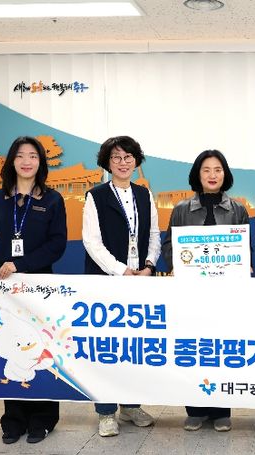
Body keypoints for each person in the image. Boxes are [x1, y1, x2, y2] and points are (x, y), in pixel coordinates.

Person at [0, 136, 67, 445]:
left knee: (38, 346)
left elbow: (57, 244)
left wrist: (20, 263)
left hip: (39, 287)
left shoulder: (52, 200)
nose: (27, 161)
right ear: (12, 161)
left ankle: (43, 419)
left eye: (33, 156)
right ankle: (13, 419)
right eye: (21, 156)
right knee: (11, 346)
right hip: (4, 289)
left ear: (41, 163)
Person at [162, 149, 249, 432]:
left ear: (225, 174)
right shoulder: (181, 209)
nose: (212, 175)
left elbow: (244, 249)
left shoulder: (237, 209)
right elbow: (169, 245)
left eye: (218, 170)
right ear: (197, 175)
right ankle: (195, 409)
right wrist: (178, 265)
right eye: (206, 170)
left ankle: (222, 410)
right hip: (191, 293)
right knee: (194, 348)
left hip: (226, 294)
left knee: (222, 349)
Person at [82, 136, 160, 437]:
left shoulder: (144, 194)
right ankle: (105, 412)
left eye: (128, 157)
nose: (123, 162)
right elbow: (92, 242)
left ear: (136, 161)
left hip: (139, 282)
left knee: (134, 347)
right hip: (107, 282)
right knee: (106, 348)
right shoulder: (96, 196)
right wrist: (121, 270)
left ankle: (130, 406)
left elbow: (154, 233)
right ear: (107, 163)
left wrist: (149, 266)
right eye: (116, 157)